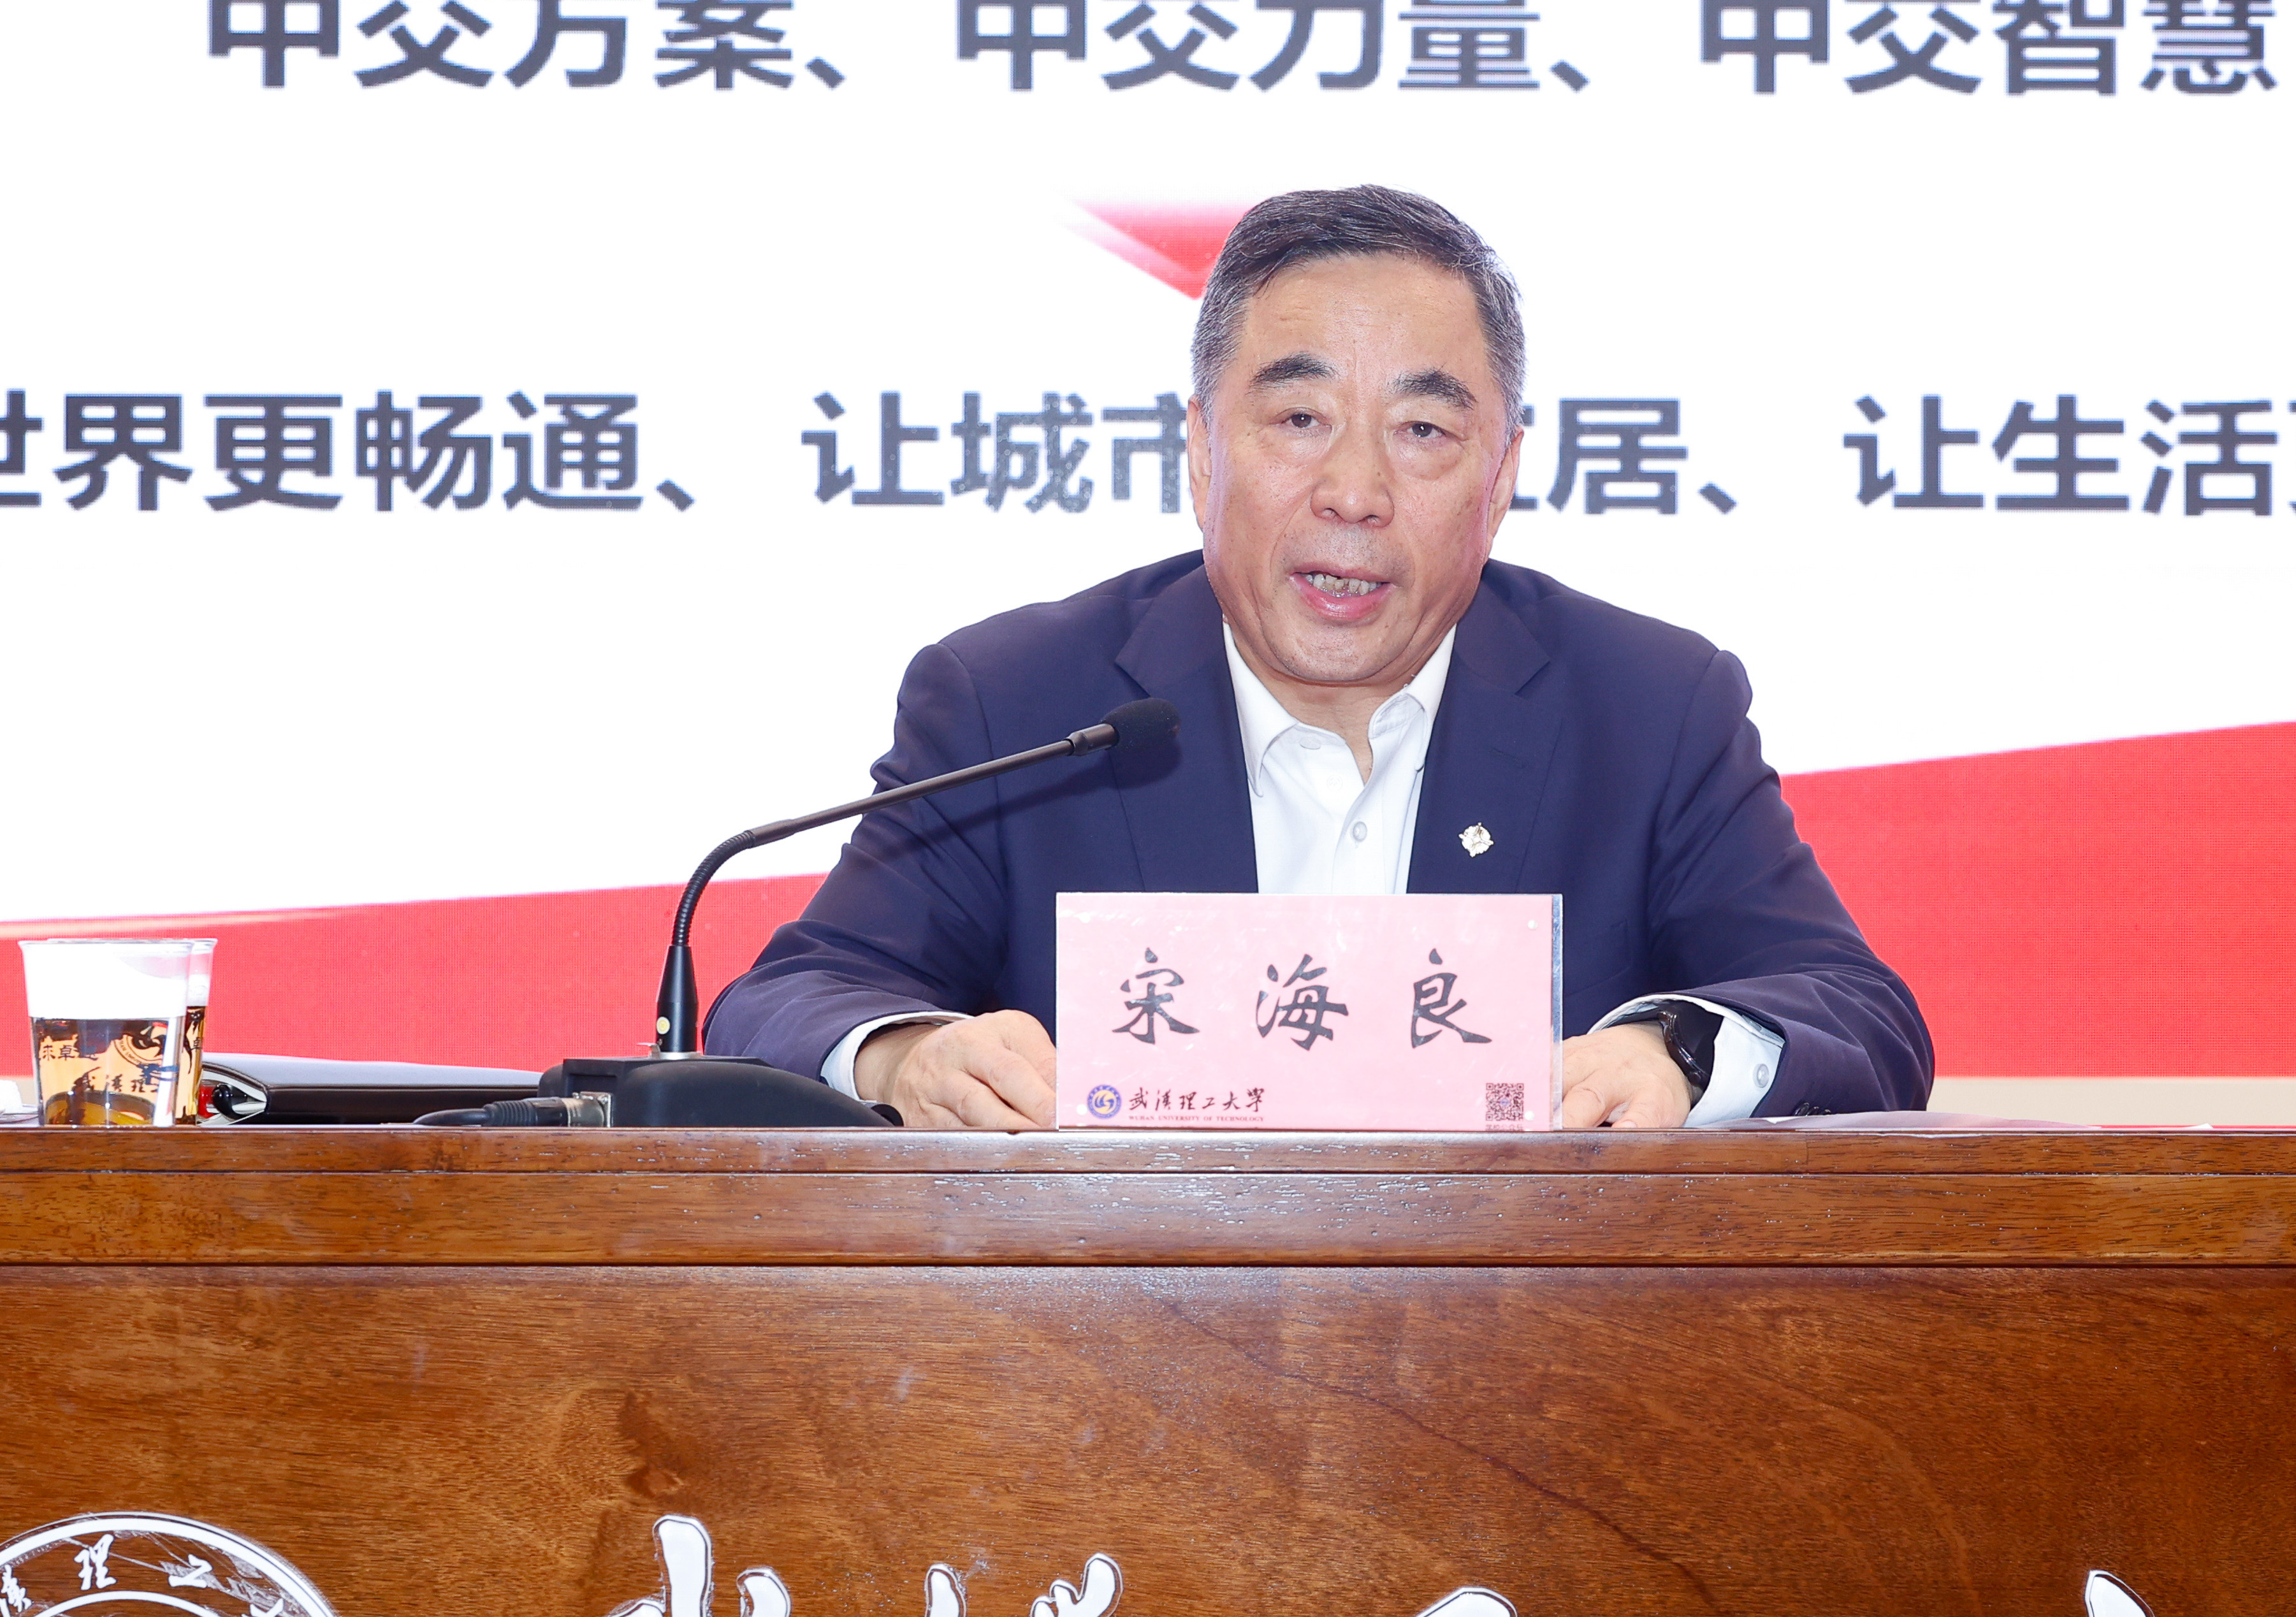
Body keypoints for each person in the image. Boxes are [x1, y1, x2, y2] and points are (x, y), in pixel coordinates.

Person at [708, 185, 1932, 1131]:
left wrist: (1674, 1051)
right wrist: (909, 1058)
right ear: (1203, 450)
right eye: (1299, 420)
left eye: (1423, 430)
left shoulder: (1648, 711)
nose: (1354, 491)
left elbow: (1859, 1016)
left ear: (1502, 476)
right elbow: (785, 1001)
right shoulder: (1019, 702)